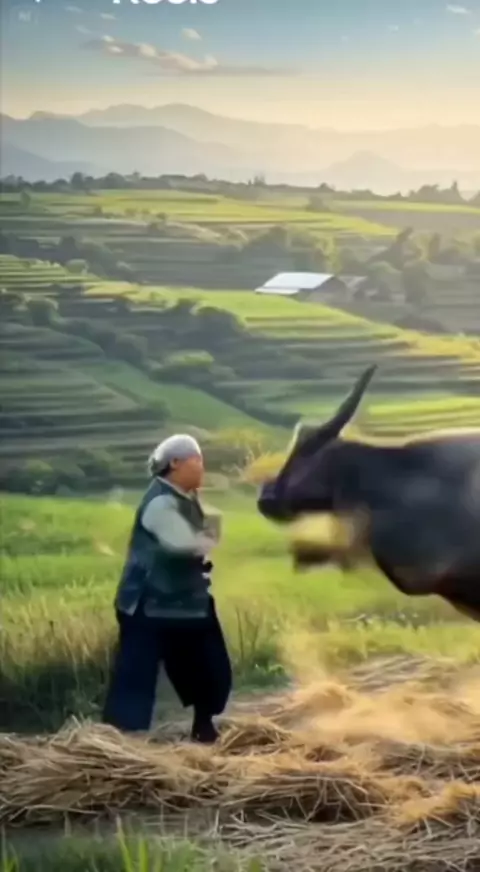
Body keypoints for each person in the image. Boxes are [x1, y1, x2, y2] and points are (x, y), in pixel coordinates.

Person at [102, 434, 232, 743]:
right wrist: (211, 532)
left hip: (189, 603)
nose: (202, 467)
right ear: (175, 463)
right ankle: (122, 745)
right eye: (197, 460)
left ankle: (203, 725)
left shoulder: (187, 498)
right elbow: (182, 543)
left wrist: (211, 527)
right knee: (136, 677)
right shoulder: (160, 502)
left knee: (211, 668)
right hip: (149, 605)